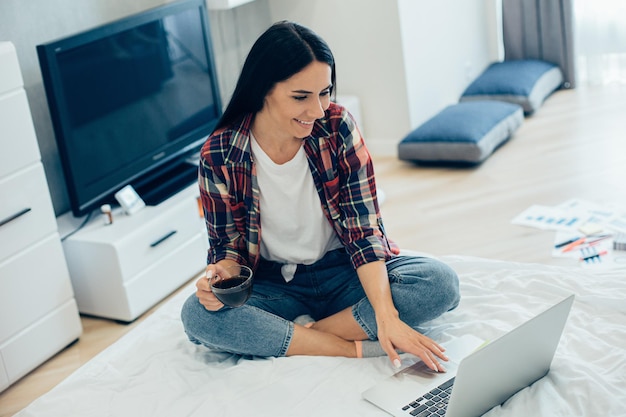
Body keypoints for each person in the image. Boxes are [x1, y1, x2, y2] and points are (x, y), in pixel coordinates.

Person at [181, 20, 460, 372]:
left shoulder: (337, 128)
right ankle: (343, 346)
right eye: (301, 97)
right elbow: (228, 248)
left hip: (344, 272)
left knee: (438, 283)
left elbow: (365, 231)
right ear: (262, 89)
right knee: (196, 315)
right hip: (273, 285)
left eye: (325, 92)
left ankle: (305, 334)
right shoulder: (219, 154)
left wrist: (386, 314)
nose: (318, 110)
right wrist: (219, 277)